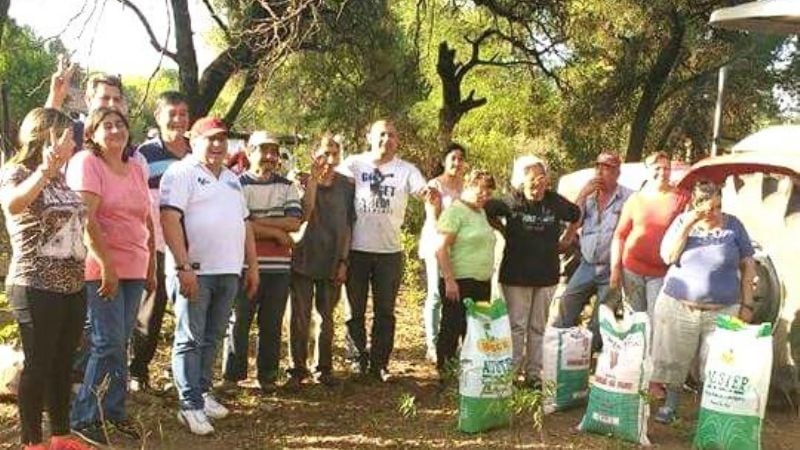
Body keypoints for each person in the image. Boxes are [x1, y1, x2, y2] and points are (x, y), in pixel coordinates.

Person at [160, 117, 258, 436]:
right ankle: (188, 405)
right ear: (193, 140)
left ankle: (202, 393)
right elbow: (170, 219)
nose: (217, 145)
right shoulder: (181, 172)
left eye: (221, 139)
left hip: (227, 271)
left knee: (212, 337)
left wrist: (252, 265)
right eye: (210, 139)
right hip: (195, 272)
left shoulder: (231, 178)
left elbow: (245, 225)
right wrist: (183, 266)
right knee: (190, 337)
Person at [0, 108, 92, 450]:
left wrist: (52, 171)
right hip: (34, 284)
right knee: (38, 363)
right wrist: (43, 169)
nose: (74, 141)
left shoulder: (60, 178)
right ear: (46, 136)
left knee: (63, 361)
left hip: (72, 285)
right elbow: (13, 204)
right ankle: (31, 441)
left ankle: (61, 435)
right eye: (67, 135)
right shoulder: (16, 172)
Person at [66, 108, 154, 446]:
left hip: (135, 264)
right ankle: (84, 416)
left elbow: (144, 219)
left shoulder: (134, 167)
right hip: (102, 267)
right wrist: (107, 265)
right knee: (106, 342)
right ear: (92, 132)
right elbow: (86, 220)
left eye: (120, 124)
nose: (115, 130)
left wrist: (150, 266)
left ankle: (114, 412)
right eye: (107, 125)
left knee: (123, 341)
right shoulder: (88, 162)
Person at [651, 180, 756, 424]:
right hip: (680, 305)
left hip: (723, 308)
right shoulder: (682, 222)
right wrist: (689, 222)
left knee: (716, 363)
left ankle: (709, 409)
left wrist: (747, 304)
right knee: (676, 358)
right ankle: (671, 404)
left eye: (718, 207)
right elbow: (668, 256)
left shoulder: (734, 226)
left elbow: (748, 264)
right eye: (708, 209)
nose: (714, 214)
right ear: (695, 206)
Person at [338, 119, 433, 381]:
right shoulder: (353, 164)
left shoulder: (406, 170)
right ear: (369, 136)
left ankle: (379, 363)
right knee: (354, 309)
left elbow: (422, 190)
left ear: (397, 140)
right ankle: (357, 359)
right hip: (356, 249)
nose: (386, 140)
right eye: (381, 135)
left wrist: (430, 193)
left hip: (389, 252)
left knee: (385, 311)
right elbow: (331, 187)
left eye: (391, 135)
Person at [485, 156, 580, 387]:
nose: (536, 186)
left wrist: (567, 238)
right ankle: (512, 373)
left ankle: (534, 374)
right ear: (521, 181)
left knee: (538, 326)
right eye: (531, 181)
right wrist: (503, 231)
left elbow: (575, 214)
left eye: (541, 179)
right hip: (515, 275)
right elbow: (487, 209)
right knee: (516, 326)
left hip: (546, 274)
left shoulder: (554, 202)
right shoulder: (511, 202)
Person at [222, 131, 302, 394]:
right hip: (244, 265)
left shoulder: (287, 186)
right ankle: (232, 377)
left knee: (271, 321)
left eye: (273, 151)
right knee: (239, 320)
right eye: (262, 150)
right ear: (249, 151)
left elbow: (294, 221)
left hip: (278, 268)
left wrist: (255, 223)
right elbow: (235, 223)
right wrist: (276, 233)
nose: (269, 156)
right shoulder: (236, 184)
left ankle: (267, 377)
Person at [128, 91, 192, 392]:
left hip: (193, 246)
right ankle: (138, 372)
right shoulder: (145, 155)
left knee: (191, 312)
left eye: (183, 113)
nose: (178, 119)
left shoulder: (197, 152)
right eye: (172, 113)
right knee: (150, 311)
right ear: (158, 116)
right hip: (155, 246)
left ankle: (187, 378)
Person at [288, 134, 354, 387]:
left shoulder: (347, 186)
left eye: (335, 153)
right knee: (299, 315)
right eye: (324, 153)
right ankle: (296, 369)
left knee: (326, 316)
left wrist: (344, 261)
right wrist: (313, 181)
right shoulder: (299, 182)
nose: (329, 159)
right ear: (313, 154)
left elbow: (348, 226)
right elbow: (305, 212)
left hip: (332, 258)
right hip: (304, 256)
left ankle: (323, 368)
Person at [555, 152, 632, 349]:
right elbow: (573, 221)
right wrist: (582, 195)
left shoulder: (628, 197)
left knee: (601, 319)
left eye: (606, 168)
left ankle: (585, 357)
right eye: (598, 167)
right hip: (587, 263)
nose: (600, 171)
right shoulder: (588, 196)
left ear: (617, 172)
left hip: (612, 267)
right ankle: (560, 348)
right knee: (567, 302)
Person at [435, 169, 497, 380]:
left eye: (488, 193)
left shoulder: (481, 213)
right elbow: (441, 249)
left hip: (482, 281)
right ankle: (446, 373)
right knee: (452, 328)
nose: (484, 197)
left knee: (475, 331)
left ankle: (470, 375)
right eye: (480, 191)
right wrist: (450, 281)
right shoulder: (455, 211)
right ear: (468, 187)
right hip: (460, 281)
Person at [610, 152, 687, 320]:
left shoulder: (682, 197)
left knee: (656, 319)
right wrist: (615, 269)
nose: (662, 172)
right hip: (631, 268)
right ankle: (636, 347)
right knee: (635, 320)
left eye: (666, 168)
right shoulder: (635, 199)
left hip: (661, 272)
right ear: (648, 170)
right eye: (657, 168)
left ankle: (652, 348)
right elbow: (620, 235)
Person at [418, 143, 467, 363]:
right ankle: (432, 343)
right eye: (453, 158)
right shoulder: (435, 184)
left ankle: (453, 343)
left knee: (454, 295)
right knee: (436, 294)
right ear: (445, 161)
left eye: (460, 159)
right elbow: (432, 217)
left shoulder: (467, 186)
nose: (457, 163)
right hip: (436, 243)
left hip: (460, 248)